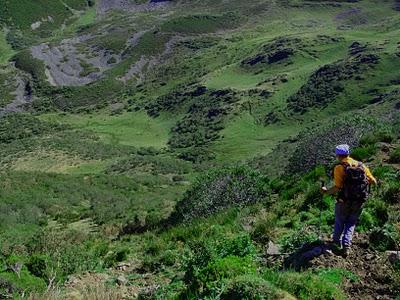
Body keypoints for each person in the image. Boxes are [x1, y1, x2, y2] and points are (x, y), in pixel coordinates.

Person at [321, 144, 377, 257]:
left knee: (340, 220)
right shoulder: (361, 166)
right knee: (351, 223)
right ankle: (346, 245)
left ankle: (336, 243)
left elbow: (338, 187)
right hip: (359, 201)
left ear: (337, 155)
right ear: (348, 153)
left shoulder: (339, 168)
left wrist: (326, 191)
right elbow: (373, 181)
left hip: (344, 200)